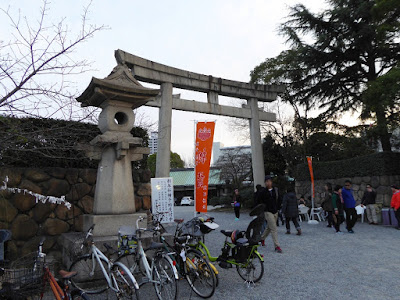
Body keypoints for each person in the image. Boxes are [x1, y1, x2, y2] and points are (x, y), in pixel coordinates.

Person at [260, 176, 283, 253]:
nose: (268, 183)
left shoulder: (275, 190)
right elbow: (260, 201)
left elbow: (279, 199)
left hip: (275, 210)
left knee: (269, 228)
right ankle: (277, 246)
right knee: (274, 228)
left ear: (271, 182)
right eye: (266, 181)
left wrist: (278, 208)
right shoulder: (263, 191)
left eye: (269, 181)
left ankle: (262, 238)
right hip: (267, 211)